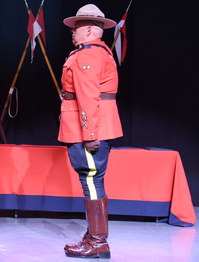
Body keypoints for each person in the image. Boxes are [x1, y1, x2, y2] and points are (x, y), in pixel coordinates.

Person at [59, 4, 123, 258]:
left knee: (91, 180)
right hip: (92, 124)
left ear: (87, 30)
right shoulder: (99, 53)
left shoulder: (87, 55)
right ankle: (94, 237)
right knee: (92, 180)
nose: (72, 33)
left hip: (86, 126)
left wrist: (90, 134)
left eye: (75, 28)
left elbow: (87, 97)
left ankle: (98, 242)